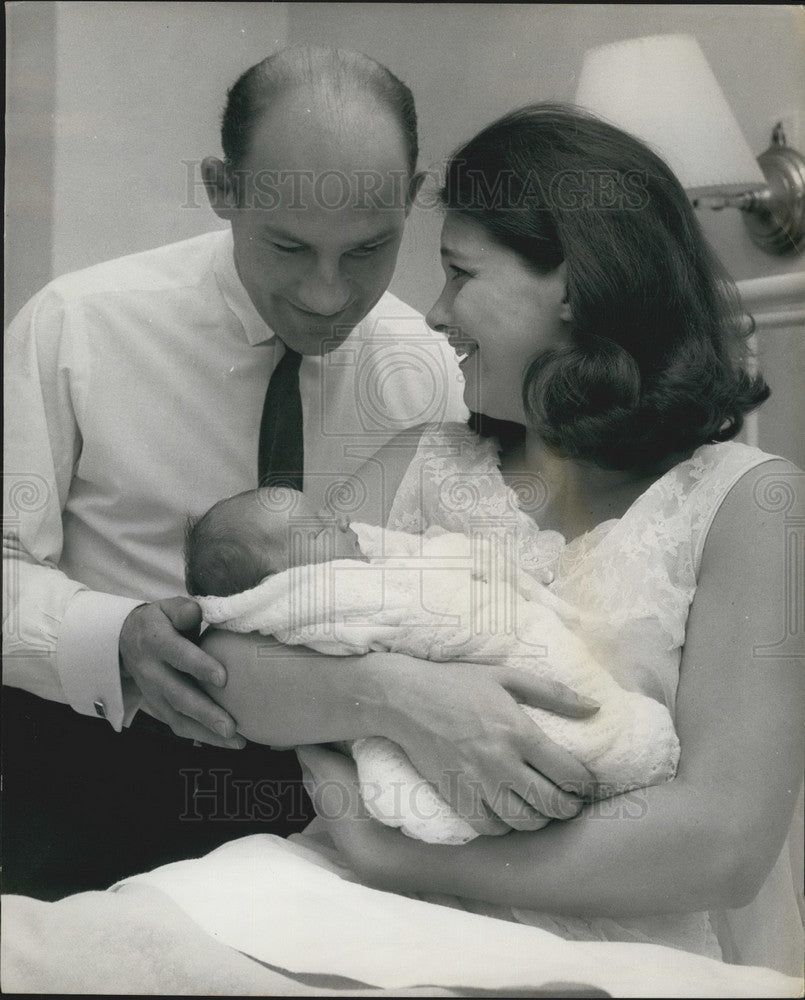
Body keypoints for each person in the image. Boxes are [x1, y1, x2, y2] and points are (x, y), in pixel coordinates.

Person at [139, 102, 801, 977]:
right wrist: (399, 695)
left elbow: (724, 844)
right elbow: (233, 662)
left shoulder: (748, 504)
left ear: (571, 285)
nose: (436, 311)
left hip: (601, 935)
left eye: (458, 273)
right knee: (101, 944)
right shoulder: (426, 461)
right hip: (353, 896)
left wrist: (405, 857)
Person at [2, 44, 485, 896]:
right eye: (290, 247)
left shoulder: (431, 371)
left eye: (369, 250)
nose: (329, 295)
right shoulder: (77, 326)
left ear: (411, 200)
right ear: (223, 189)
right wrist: (107, 634)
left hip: (338, 807)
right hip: (90, 780)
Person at [184, 484, 680, 847]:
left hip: (605, 854)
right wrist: (392, 692)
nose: (342, 523)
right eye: (317, 529)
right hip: (390, 851)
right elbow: (222, 666)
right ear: (278, 582)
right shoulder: (323, 594)